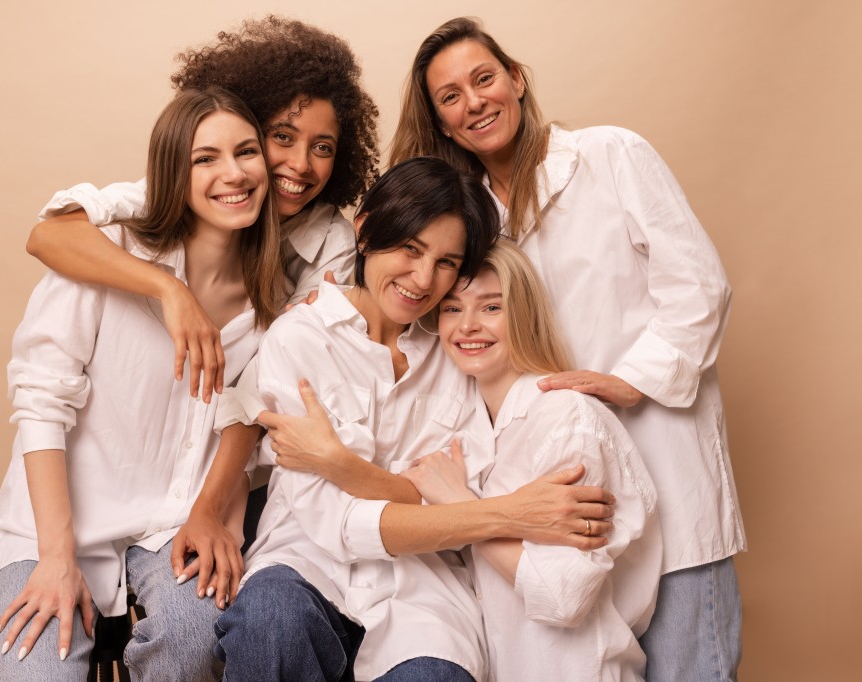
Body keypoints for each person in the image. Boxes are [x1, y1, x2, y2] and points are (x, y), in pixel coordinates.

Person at [390, 17, 746, 680]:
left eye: (484, 78)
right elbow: (431, 307)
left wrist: (628, 381)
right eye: (450, 96)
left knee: (689, 665)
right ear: (440, 122)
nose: (474, 101)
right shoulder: (467, 217)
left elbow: (699, 286)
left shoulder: (611, 155)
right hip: (557, 494)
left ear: (517, 79)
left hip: (661, 453)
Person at [23, 16, 380, 606]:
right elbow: (50, 237)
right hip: (142, 467)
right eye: (282, 137)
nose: (301, 164)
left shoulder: (328, 247)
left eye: (324, 148)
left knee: (214, 618)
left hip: (252, 463)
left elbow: (268, 388)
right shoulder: (195, 183)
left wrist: (211, 508)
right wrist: (172, 292)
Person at [215, 157, 616, 681]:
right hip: (305, 565)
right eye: (410, 249)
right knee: (271, 620)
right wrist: (502, 511)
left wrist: (338, 462)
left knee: (433, 676)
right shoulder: (300, 338)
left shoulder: (457, 350)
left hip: (423, 593)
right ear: (364, 233)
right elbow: (334, 522)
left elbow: (456, 494)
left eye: (447, 262)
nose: (424, 279)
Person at [0, 86, 285, 681]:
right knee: (40, 668)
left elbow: (246, 424)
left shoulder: (269, 304)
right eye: (205, 158)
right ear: (174, 173)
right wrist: (56, 558)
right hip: (54, 528)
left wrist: (216, 518)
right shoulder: (101, 256)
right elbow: (41, 404)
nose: (234, 173)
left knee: (198, 640)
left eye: (246, 152)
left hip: (169, 529)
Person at [403, 240, 663, 680]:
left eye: (490, 308)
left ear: (522, 314)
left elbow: (563, 595)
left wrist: (461, 508)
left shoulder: (567, 419)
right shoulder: (464, 425)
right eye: (451, 309)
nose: (467, 326)